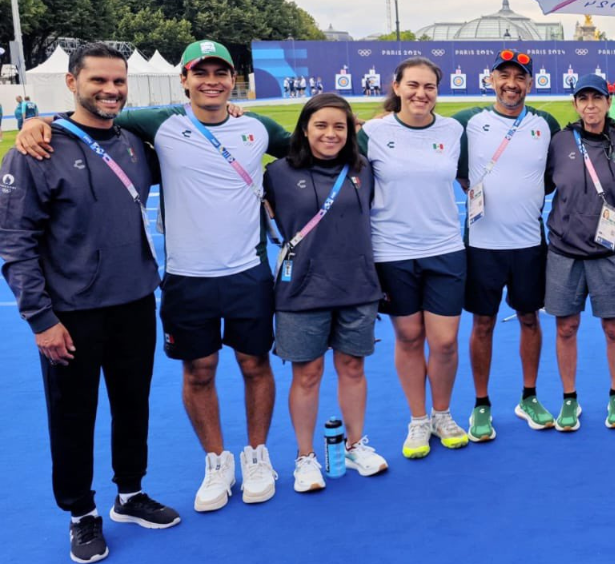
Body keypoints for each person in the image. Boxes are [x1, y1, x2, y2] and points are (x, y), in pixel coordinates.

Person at [18, 39, 292, 512]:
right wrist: (36, 120)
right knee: (199, 370)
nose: (212, 81)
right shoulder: (158, 125)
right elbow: (90, 121)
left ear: (232, 79)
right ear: (183, 80)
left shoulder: (259, 128)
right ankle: (216, 461)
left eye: (221, 72)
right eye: (200, 72)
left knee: (254, 365)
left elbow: (318, 141)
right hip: (186, 279)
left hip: (249, 272)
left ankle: (257, 456)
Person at [0, 43, 179, 563]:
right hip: (71, 313)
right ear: (72, 82)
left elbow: (193, 120)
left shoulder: (134, 146)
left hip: (134, 302)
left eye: (119, 82)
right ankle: (81, 512)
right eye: (98, 80)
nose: (111, 90)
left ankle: (130, 493)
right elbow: (15, 241)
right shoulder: (35, 150)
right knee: (73, 415)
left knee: (133, 404)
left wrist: (233, 109)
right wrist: (41, 319)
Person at [264, 93, 389, 492]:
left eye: (339, 126)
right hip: (301, 291)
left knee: (353, 369)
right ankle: (305, 458)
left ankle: (355, 445)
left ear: (351, 130)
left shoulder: (364, 170)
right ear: (304, 128)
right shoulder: (277, 173)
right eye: (321, 125)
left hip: (357, 287)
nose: (330, 134)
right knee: (307, 374)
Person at [359, 57, 469, 457]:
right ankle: (418, 419)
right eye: (413, 85)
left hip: (444, 249)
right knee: (408, 337)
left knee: (444, 342)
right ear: (396, 86)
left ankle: (442, 413)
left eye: (430, 87)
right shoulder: (371, 133)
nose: (421, 94)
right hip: (392, 251)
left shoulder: (454, 130)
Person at [454, 50, 562, 441]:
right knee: (481, 323)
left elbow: (556, 172)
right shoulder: (468, 122)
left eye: (520, 77)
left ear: (530, 84)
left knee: (530, 319)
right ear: (491, 79)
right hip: (482, 244)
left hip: (529, 243)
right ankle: (481, 404)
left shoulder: (545, 123)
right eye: (504, 76)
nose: (512, 83)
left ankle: (528, 397)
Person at [544, 74, 615, 431]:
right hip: (564, 251)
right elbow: (536, 183)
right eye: (583, 99)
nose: (590, 105)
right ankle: (569, 400)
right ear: (575, 104)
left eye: (597, 98)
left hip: (610, 251)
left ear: (608, 102)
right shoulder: (558, 143)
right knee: (566, 327)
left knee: (614, 328)